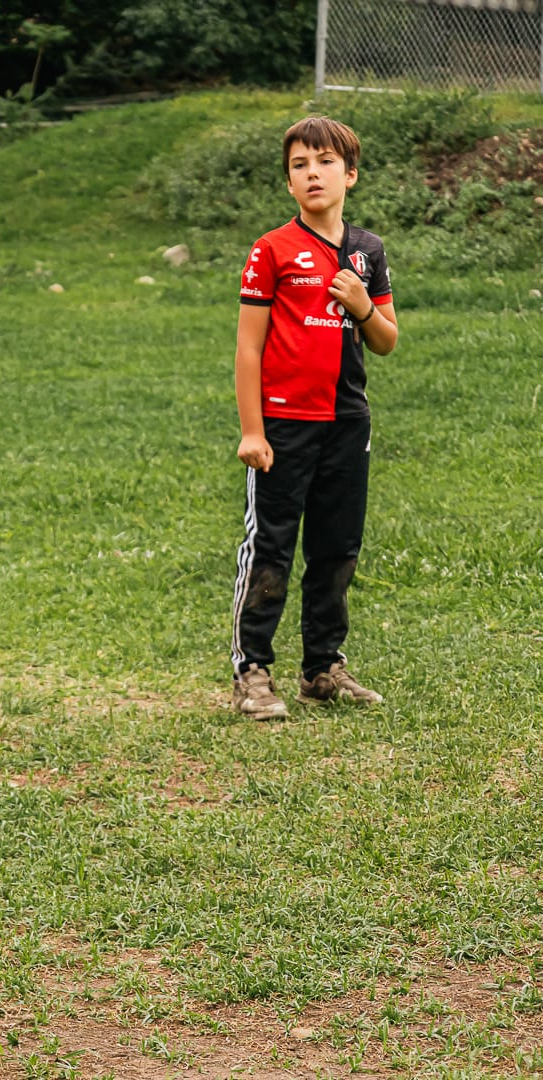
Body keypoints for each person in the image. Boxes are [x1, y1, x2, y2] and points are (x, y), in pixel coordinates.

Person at [231, 116, 398, 720]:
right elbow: (249, 347)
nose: (312, 173)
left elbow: (386, 340)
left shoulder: (367, 251)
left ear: (349, 175)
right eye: (299, 165)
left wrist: (361, 306)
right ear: (288, 182)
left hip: (347, 423)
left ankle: (323, 669)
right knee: (271, 547)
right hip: (283, 426)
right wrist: (253, 431)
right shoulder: (271, 250)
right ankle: (252, 672)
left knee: (336, 548)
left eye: (325, 162)